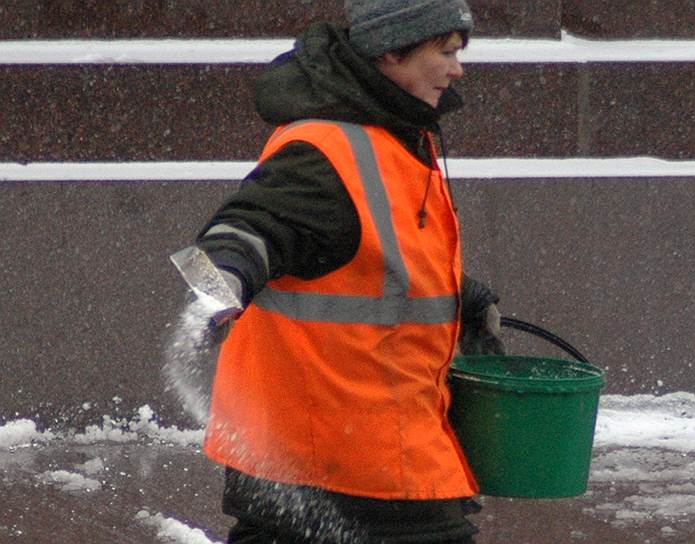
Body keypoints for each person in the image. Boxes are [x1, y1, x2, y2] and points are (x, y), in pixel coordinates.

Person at [173, 1, 505, 542]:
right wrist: (218, 284)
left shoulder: (396, 133)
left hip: (374, 457)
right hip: (335, 470)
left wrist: (460, 295)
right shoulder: (325, 150)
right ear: (392, 51)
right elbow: (249, 228)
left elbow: (371, 256)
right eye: (445, 52)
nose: (457, 68)